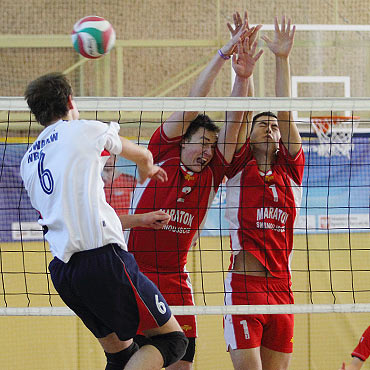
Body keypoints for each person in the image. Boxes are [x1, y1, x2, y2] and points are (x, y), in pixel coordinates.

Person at [20, 72, 188, 370]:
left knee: (121, 355)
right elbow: (142, 153)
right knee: (172, 342)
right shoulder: (84, 130)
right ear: (70, 101)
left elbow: (72, 212)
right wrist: (146, 167)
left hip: (64, 273)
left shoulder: (28, 161)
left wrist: (137, 217)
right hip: (104, 262)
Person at [126, 12, 263, 370]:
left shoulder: (213, 171)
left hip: (177, 278)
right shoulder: (164, 151)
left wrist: (242, 76)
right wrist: (223, 54)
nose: (207, 150)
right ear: (184, 140)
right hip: (136, 274)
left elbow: (235, 123)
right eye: (201, 142)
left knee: (183, 364)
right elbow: (194, 100)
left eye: (210, 145)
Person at [223, 16, 304, 370]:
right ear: (250, 135)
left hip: (282, 289)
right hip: (245, 288)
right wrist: (245, 73)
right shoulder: (238, 164)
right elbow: (238, 115)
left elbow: (285, 113)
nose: (271, 129)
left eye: (274, 126)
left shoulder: (291, 167)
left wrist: (282, 59)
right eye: (263, 125)